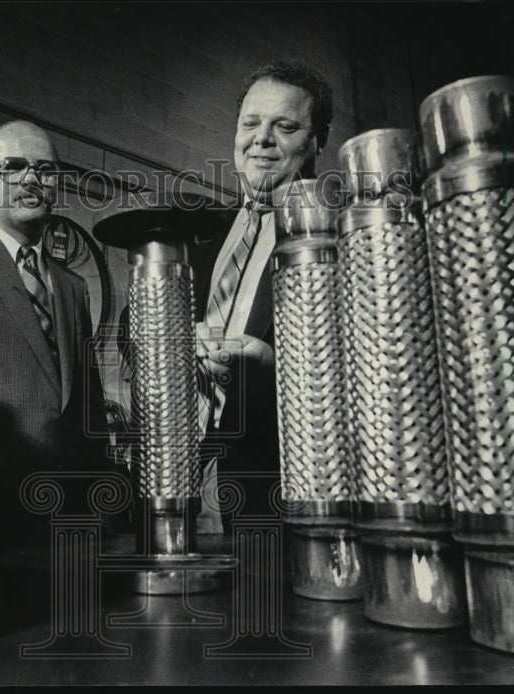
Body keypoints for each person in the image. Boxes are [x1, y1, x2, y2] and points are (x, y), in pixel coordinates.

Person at [0, 120, 109, 551]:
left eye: (46, 169)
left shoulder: (73, 286)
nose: (32, 178)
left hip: (71, 518)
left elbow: (88, 402)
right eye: (14, 166)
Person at [192, 61, 334, 530]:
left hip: (279, 487)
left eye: (285, 126)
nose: (262, 139)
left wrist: (271, 362)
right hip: (190, 477)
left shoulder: (339, 239)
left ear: (318, 140)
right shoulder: (205, 237)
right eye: (250, 123)